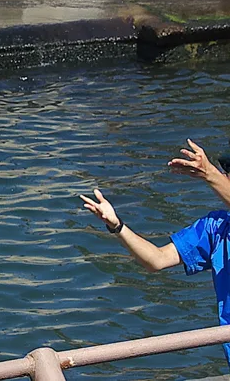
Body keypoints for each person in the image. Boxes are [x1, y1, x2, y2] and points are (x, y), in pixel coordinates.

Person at [80, 139, 230, 366]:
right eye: (225, 170)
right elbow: (156, 260)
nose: (224, 174)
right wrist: (117, 226)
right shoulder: (215, 227)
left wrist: (209, 173)